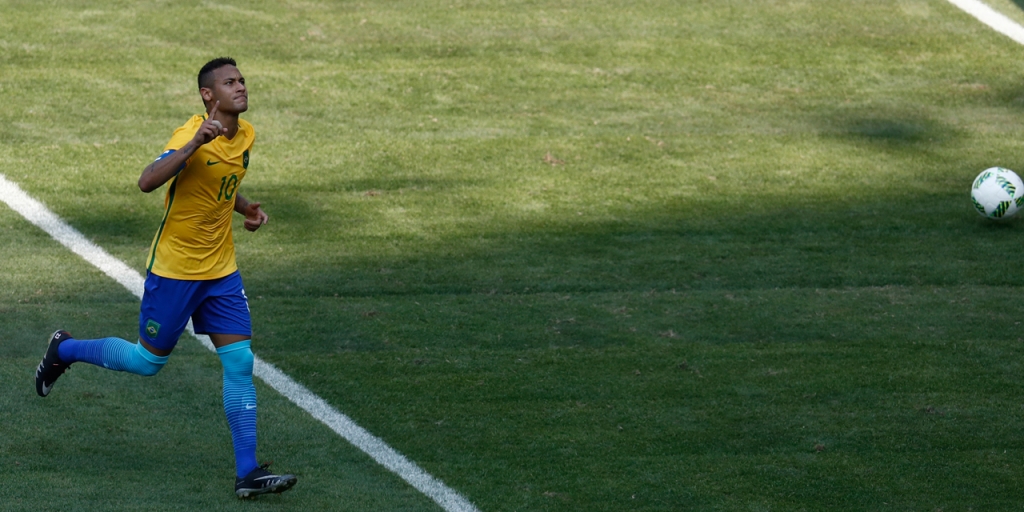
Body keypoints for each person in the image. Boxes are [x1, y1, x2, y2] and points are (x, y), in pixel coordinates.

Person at [34, 57, 297, 499]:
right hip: (176, 272)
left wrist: (246, 207)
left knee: (239, 362)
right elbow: (147, 181)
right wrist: (194, 143)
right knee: (147, 362)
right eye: (229, 82)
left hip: (222, 272)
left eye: (242, 80)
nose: (241, 87)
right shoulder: (190, 134)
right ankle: (65, 349)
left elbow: (220, 184)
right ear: (208, 96)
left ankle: (248, 473)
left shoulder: (246, 135)